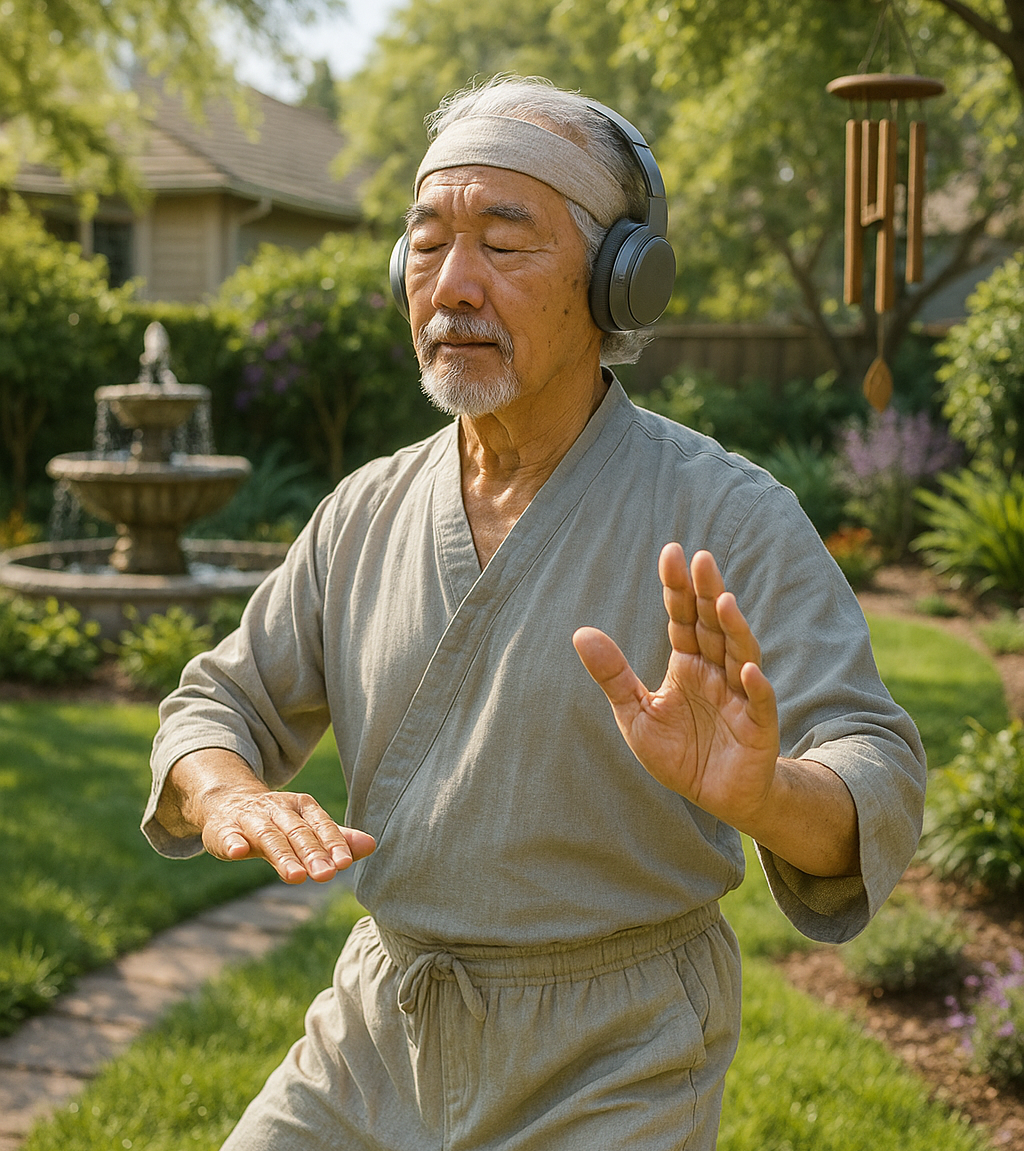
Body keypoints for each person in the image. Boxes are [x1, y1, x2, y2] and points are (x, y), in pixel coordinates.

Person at [143, 76, 926, 1150]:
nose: (453, 285)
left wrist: (766, 792)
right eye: (428, 244)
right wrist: (226, 788)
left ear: (618, 284)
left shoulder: (725, 514)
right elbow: (214, 703)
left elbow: (876, 765)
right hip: (380, 1028)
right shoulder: (363, 510)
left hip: (616, 1053)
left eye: (505, 243)